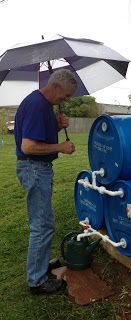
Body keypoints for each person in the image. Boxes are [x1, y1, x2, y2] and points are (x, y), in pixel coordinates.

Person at [14, 69, 78, 295]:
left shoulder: (43, 106)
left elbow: (40, 134)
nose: (66, 100)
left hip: (37, 169)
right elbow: (28, 146)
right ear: (56, 87)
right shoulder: (37, 105)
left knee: (44, 223)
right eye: (66, 95)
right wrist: (61, 147)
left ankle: (40, 267)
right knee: (41, 226)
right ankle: (37, 281)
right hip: (34, 168)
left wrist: (57, 126)